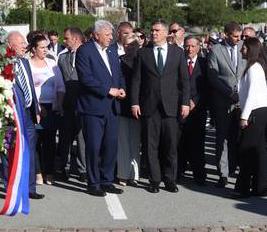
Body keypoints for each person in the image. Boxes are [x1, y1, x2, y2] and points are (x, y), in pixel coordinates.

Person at [130, 19, 190, 193]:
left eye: (157, 30)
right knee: (151, 146)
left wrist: (185, 103)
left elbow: (184, 80)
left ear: (165, 33)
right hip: (149, 106)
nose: (153, 33)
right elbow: (136, 81)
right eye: (152, 30)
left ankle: (170, 179)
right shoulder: (143, 53)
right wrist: (134, 102)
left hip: (171, 106)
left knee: (171, 146)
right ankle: (154, 180)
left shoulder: (177, 53)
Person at [76, 20, 126, 197]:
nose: (111, 37)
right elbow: (86, 79)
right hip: (93, 107)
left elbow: (118, 74)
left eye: (111, 34)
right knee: (94, 147)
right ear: (97, 35)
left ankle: (107, 180)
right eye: (108, 34)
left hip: (112, 107)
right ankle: (94, 182)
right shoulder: (84, 51)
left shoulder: (112, 51)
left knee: (111, 146)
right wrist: (107, 90)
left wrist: (121, 88)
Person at [208, 21, 246, 188]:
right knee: (222, 138)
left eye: (240, 36)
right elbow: (213, 77)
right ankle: (222, 173)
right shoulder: (216, 50)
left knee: (238, 137)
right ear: (226, 35)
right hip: (224, 101)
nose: (239, 39)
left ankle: (234, 167)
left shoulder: (244, 47)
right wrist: (229, 93)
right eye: (235, 36)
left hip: (243, 101)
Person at [7, 31, 44, 199]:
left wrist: (36, 109)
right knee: (13, 152)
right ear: (10, 45)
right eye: (21, 43)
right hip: (13, 114)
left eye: (24, 42)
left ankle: (30, 189)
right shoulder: (4, 64)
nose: (24, 45)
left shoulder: (25, 62)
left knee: (29, 150)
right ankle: (14, 188)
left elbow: (30, 87)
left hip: (28, 114)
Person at [233, 37, 267, 198]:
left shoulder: (254, 68)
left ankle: (243, 189)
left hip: (255, 111)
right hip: (259, 110)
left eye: (244, 48)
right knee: (259, 150)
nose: (242, 50)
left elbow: (252, 94)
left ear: (251, 50)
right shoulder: (255, 67)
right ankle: (260, 187)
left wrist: (244, 116)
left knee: (246, 150)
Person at [29, 34, 65, 185]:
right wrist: (37, 106)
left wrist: (60, 104)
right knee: (35, 142)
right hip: (34, 108)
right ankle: (37, 173)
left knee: (50, 142)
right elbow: (27, 88)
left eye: (47, 47)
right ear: (34, 49)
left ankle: (49, 172)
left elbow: (61, 86)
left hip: (51, 108)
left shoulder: (52, 63)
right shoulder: (27, 64)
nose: (45, 50)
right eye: (42, 47)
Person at [177, 36, 209, 186]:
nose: (190, 49)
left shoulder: (204, 63)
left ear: (198, 47)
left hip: (198, 109)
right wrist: (184, 100)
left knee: (198, 143)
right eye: (187, 46)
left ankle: (199, 174)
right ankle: (178, 171)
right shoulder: (178, 62)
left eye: (193, 46)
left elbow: (207, 86)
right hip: (181, 108)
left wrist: (195, 101)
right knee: (180, 141)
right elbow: (174, 84)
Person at [57, 27, 87, 182]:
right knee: (65, 138)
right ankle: (64, 167)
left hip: (83, 103)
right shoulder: (62, 57)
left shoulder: (88, 54)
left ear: (75, 39)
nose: (64, 40)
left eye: (66, 38)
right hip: (67, 103)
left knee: (83, 138)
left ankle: (83, 170)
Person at [117, 33, 141, 186]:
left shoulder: (143, 60)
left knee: (136, 142)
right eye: (127, 45)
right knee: (123, 142)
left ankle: (135, 174)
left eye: (133, 45)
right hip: (122, 104)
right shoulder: (118, 61)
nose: (130, 47)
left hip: (138, 105)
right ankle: (123, 174)